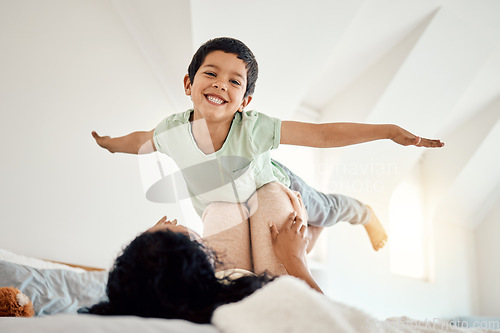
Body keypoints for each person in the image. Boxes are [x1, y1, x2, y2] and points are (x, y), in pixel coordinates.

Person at [92, 37, 444, 252]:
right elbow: (142, 141)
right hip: (230, 212)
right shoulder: (172, 130)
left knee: (326, 209)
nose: (220, 85)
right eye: (211, 73)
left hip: (280, 190)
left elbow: (321, 135)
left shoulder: (253, 128)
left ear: (244, 100)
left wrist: (387, 131)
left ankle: (364, 213)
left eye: (234, 81)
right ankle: (315, 230)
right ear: (189, 82)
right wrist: (111, 143)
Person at [87, 213, 320, 323]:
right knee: (262, 196)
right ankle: (314, 230)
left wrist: (152, 244)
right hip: (278, 269)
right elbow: (328, 319)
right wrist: (294, 259)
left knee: (224, 203)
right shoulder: (241, 302)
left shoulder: (149, 290)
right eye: (167, 233)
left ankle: (314, 229)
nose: (168, 222)